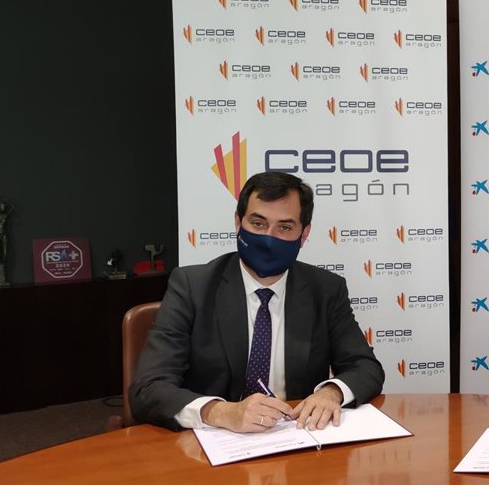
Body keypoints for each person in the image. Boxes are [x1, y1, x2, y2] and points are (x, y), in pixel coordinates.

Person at [131, 171, 384, 433]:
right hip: (212, 441)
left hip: (296, 437)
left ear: (304, 233)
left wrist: (331, 392)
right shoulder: (192, 287)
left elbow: (365, 367)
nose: (268, 239)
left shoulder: (326, 289)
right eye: (258, 224)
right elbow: (148, 387)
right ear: (238, 222)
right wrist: (218, 411)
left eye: (284, 227)